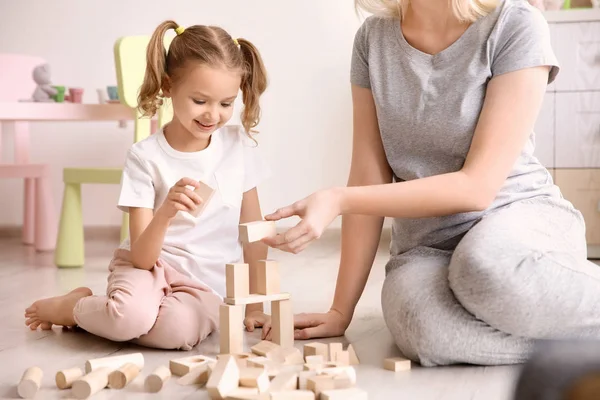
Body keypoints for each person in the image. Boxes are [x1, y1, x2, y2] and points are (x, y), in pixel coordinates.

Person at [262, 0, 600, 366]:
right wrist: (340, 310)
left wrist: (337, 199)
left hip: (517, 218)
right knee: (420, 330)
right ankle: (576, 342)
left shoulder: (515, 24)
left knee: (482, 266)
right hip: (427, 246)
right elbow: (366, 180)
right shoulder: (372, 41)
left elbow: (477, 187)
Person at [24, 20, 272, 350]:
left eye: (226, 103)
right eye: (200, 100)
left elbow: (253, 233)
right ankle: (73, 307)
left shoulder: (236, 147)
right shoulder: (145, 157)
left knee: (173, 332)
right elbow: (141, 258)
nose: (213, 115)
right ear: (169, 86)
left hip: (205, 287)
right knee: (128, 317)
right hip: (147, 266)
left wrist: (254, 305)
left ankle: (114, 315)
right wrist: (166, 212)